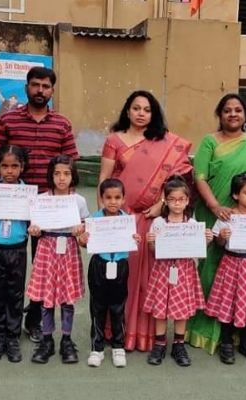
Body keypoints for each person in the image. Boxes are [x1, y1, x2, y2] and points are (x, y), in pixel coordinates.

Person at [0, 66, 79, 343]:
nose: (40, 90)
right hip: (12, 206)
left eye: (46, 86)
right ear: (26, 87)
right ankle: (5, 323)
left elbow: (71, 167)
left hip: (49, 208)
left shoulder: (62, 124)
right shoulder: (8, 120)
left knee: (45, 266)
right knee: (9, 266)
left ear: (52, 90)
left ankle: (35, 320)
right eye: (35, 85)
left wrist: (67, 207)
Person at [186, 93, 246, 354]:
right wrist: (215, 207)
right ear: (220, 115)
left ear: (245, 115)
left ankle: (243, 335)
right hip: (215, 213)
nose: (232, 114)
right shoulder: (210, 141)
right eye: (227, 110)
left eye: (238, 110)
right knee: (210, 271)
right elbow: (200, 177)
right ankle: (207, 332)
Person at [98, 90, 193, 352]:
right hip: (122, 219)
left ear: (154, 114)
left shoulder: (165, 143)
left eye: (147, 109)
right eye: (136, 108)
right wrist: (104, 218)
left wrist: (160, 204)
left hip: (152, 219)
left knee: (148, 279)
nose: (141, 113)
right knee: (121, 276)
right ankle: (116, 331)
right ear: (127, 110)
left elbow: (176, 182)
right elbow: (104, 179)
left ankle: (145, 336)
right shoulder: (114, 140)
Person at [27, 155, 91, 364]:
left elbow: (86, 229)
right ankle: (47, 340)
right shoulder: (42, 199)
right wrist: (34, 230)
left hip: (69, 248)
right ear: (51, 175)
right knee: (47, 298)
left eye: (66, 173)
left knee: (66, 298)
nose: (62, 178)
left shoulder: (79, 201)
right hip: (47, 248)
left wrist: (82, 230)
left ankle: (66, 340)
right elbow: (34, 226)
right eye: (57, 174)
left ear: (73, 176)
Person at [144, 176, 211, 367]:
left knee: (182, 310)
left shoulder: (192, 225)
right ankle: (160, 344)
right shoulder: (158, 223)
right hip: (163, 269)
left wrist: (206, 240)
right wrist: (151, 242)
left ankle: (178, 345)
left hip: (184, 270)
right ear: (165, 200)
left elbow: (198, 249)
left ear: (187, 200)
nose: (177, 203)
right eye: (172, 199)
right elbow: (153, 251)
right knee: (161, 308)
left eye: (181, 199)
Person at [206, 173, 246, 365]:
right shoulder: (227, 216)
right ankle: (226, 342)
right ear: (236, 195)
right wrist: (222, 236)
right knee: (229, 301)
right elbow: (218, 243)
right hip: (232, 263)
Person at [78, 178, 140, 368]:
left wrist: (135, 239)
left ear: (123, 199)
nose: (113, 202)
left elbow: (132, 241)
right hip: (99, 265)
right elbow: (84, 243)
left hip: (120, 266)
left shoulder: (127, 221)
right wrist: (83, 239)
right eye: (108, 197)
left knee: (118, 307)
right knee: (97, 307)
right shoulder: (94, 220)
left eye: (117, 197)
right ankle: (97, 348)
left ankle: (118, 346)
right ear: (102, 199)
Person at [0, 145, 31, 363]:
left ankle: (12, 337)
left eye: (14, 166)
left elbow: (34, 222)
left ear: (22, 167)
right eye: (4, 166)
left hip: (17, 248)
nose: (9, 171)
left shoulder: (28, 194)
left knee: (15, 293)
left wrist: (35, 218)